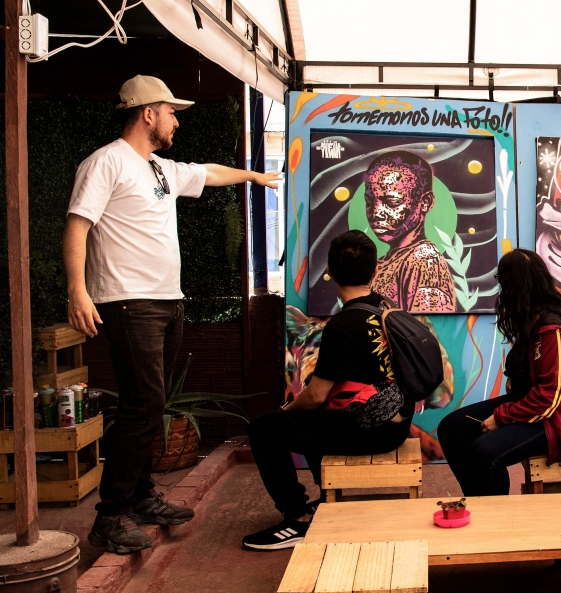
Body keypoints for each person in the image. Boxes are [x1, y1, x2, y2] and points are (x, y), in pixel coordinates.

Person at [64, 75, 281, 554]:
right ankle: (109, 516)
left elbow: (206, 173)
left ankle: (141, 497)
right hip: (127, 300)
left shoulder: (158, 167)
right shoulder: (106, 162)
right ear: (148, 114)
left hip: (166, 300)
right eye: (171, 112)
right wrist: (78, 291)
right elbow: (78, 225)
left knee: (151, 404)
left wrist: (253, 176)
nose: (176, 121)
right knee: (142, 405)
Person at [242, 231, 414, 549]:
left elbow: (317, 395)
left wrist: (286, 410)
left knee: (264, 429)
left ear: (330, 271)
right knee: (319, 416)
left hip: (371, 433)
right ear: (375, 269)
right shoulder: (388, 308)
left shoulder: (342, 325)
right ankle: (326, 498)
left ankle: (297, 518)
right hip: (398, 425)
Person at [437, 249, 561, 495]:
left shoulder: (556, 330)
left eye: (503, 284)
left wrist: (502, 417)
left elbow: (551, 397)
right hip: (530, 404)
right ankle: (478, 500)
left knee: (485, 452)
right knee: (451, 428)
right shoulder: (531, 316)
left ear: (515, 287)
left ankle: (497, 512)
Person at [365, 151, 456, 312]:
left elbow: (427, 322)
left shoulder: (425, 260)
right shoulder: (383, 262)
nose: (375, 212)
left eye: (392, 202)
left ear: (425, 202)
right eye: (369, 201)